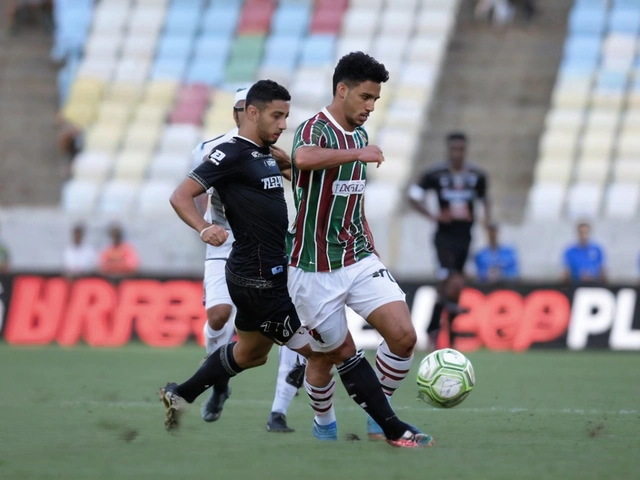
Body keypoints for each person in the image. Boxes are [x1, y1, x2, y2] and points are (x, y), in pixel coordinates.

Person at [163, 80, 427, 448]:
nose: (284, 124)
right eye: (277, 116)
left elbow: (300, 172)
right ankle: (394, 429)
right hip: (260, 281)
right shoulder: (231, 153)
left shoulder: (267, 153)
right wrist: (204, 227)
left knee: (250, 354)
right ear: (251, 113)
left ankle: (181, 393)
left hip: (265, 273)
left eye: (286, 116)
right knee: (338, 350)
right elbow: (180, 196)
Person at [288, 52, 434, 447]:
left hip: (356, 255)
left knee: (404, 336)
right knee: (326, 357)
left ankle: (379, 416)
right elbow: (301, 158)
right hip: (313, 267)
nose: (370, 107)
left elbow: (353, 198)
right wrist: (357, 153)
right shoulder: (315, 129)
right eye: (366, 97)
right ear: (342, 89)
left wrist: (371, 245)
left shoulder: (360, 136)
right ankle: (325, 425)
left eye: (375, 100)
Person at [191, 87, 305, 432]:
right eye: (240, 108)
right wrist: (205, 226)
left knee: (292, 324)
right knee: (218, 315)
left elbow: (295, 177)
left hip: (267, 245)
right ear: (240, 112)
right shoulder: (213, 148)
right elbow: (194, 190)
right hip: (225, 241)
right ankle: (219, 380)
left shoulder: (268, 148)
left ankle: (279, 411)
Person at [408, 132, 490, 349]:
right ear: (448, 149)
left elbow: (484, 199)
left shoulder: (476, 175)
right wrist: (433, 216)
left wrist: (485, 219)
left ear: (465, 150)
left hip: (465, 236)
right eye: (453, 149)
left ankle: (437, 330)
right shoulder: (435, 174)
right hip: (444, 236)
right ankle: (444, 324)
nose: (457, 153)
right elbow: (413, 196)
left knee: (451, 287)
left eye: (461, 149)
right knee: (454, 280)